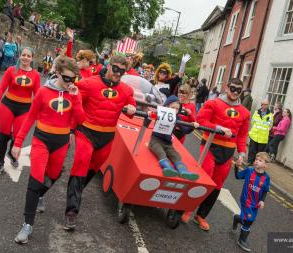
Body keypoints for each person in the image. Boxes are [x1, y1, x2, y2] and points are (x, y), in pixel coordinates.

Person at [12, 56, 85, 244]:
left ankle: (41, 194)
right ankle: (27, 225)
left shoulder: (75, 93)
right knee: (35, 179)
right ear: (58, 74)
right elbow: (30, 118)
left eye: (73, 79)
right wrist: (18, 143)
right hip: (41, 139)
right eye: (67, 78)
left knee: (53, 174)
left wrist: (76, 98)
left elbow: (81, 119)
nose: (70, 83)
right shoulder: (44, 92)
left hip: (61, 142)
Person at [64, 55, 136, 230]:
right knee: (80, 166)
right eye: (116, 68)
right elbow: (75, 105)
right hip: (86, 132)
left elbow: (131, 106)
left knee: (91, 170)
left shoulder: (126, 90)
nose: (118, 73)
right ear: (109, 66)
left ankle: (76, 191)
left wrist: (132, 108)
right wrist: (71, 130)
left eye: (122, 70)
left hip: (107, 137)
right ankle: (71, 211)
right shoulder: (90, 83)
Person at [181, 78, 250, 231]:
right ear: (227, 87)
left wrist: (242, 153)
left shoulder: (245, 113)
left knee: (217, 185)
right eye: (233, 88)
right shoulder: (213, 103)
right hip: (210, 146)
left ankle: (201, 215)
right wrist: (219, 128)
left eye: (239, 90)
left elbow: (242, 135)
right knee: (204, 178)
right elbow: (201, 121)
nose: (235, 92)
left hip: (228, 152)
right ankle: (186, 208)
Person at [0, 47, 41, 176]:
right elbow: (1, 90)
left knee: (18, 136)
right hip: (8, 105)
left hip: (25, 109)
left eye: (28, 56)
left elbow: (38, 97)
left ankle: (12, 154)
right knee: (3, 136)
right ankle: (0, 163)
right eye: (23, 55)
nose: (25, 58)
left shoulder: (35, 74)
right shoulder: (11, 70)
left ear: (32, 58)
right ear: (19, 56)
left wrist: (40, 116)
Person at [149, 95, 199, 180]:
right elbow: (148, 119)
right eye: (172, 107)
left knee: (176, 156)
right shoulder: (160, 113)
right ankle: (169, 169)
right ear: (166, 106)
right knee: (161, 153)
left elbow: (184, 130)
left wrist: (192, 126)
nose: (174, 110)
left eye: (177, 108)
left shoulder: (177, 118)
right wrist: (149, 115)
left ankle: (184, 172)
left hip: (168, 143)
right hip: (155, 140)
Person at [233, 152, 271, 252]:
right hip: (246, 201)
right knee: (249, 221)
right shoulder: (249, 171)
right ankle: (242, 240)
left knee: (247, 218)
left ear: (265, 165)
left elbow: (265, 190)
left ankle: (237, 218)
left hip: (255, 204)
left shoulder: (266, 178)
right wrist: (236, 166)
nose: (257, 161)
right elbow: (237, 176)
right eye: (256, 159)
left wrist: (262, 201)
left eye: (260, 160)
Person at [248, 100, 273, 165]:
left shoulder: (270, 115)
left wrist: (266, 130)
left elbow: (270, 125)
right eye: (264, 104)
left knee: (260, 152)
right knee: (252, 150)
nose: (266, 106)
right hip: (254, 135)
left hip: (263, 137)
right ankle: (250, 162)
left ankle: (257, 163)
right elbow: (253, 122)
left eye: (267, 104)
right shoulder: (256, 112)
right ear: (261, 105)